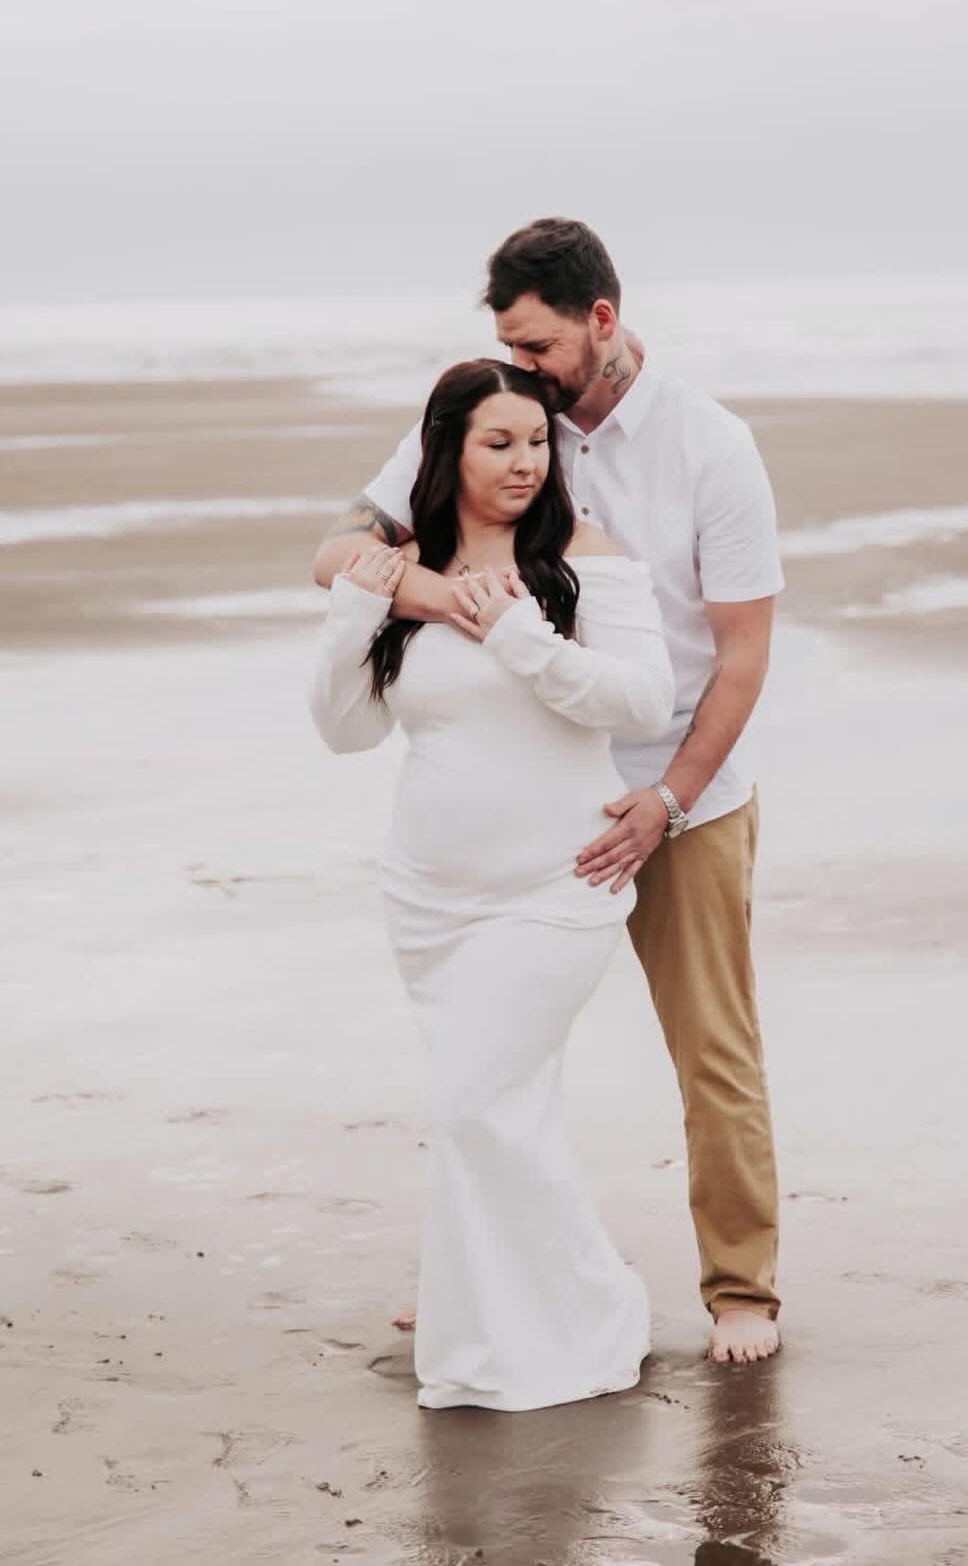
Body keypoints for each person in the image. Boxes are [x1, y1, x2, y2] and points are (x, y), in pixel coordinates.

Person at [313, 219, 785, 1365]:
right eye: (507, 343)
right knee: (491, 1061)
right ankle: (483, 1270)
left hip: (675, 793)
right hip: (526, 795)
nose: (523, 364)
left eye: (538, 340)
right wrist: (459, 605)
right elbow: (341, 553)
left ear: (602, 323)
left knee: (710, 1047)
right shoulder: (504, 416)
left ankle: (742, 1292)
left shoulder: (710, 447)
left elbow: (741, 654)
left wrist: (665, 798)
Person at [309, 357, 676, 1412]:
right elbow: (346, 730)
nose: (524, 463)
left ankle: (596, 1306)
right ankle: (497, 1324)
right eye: (498, 444)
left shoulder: (583, 557)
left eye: (536, 443)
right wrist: (353, 614)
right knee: (500, 1111)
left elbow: (642, 703)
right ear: (446, 452)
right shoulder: (405, 564)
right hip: (429, 900)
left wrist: (520, 634)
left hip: (554, 887)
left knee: (472, 1106)